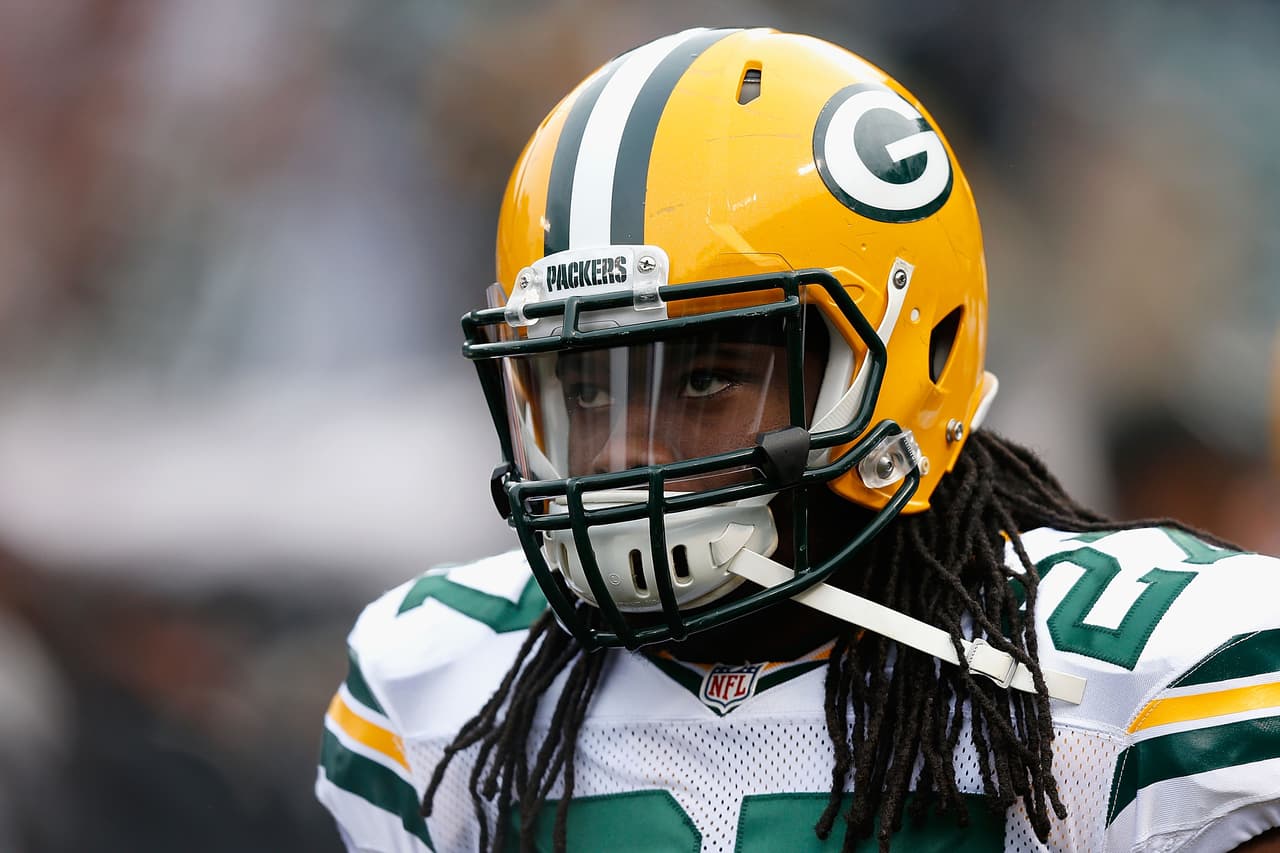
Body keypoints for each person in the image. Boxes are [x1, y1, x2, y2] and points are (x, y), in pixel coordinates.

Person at [315, 27, 1280, 852]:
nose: (618, 455)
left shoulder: (1133, 677)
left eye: (705, 379)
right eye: (589, 389)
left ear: (911, 357)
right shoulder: (444, 682)